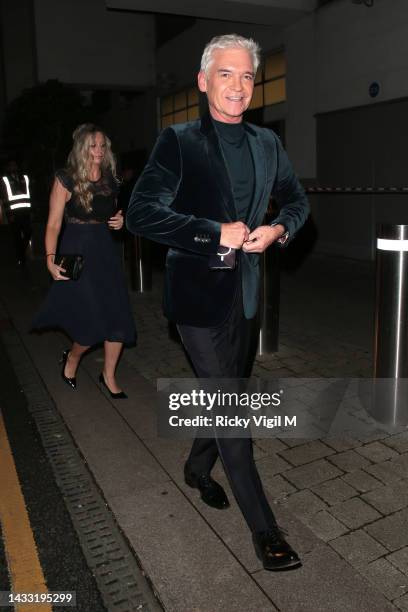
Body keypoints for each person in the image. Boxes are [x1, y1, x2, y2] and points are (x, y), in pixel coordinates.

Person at [126, 34, 309, 569]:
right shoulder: (178, 141)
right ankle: (264, 529)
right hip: (197, 299)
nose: (238, 85)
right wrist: (213, 233)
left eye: (247, 75)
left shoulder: (267, 144)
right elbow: (141, 214)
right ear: (204, 81)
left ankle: (197, 469)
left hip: (246, 296)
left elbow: (297, 200)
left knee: (224, 392)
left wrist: (277, 229)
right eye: (226, 74)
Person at [33, 124, 136, 398]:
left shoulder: (110, 179)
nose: (99, 151)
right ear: (82, 148)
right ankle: (73, 358)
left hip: (105, 252)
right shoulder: (66, 179)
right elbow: (54, 225)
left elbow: (113, 215)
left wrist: (120, 221)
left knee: (117, 315)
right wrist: (50, 259)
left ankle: (109, 375)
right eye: (93, 145)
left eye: (103, 145)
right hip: (76, 251)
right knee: (89, 322)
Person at [1, 159, 32, 265]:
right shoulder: (5, 180)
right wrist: (9, 214)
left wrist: (31, 210)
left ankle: (21, 253)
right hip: (14, 214)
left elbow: (29, 194)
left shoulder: (24, 178)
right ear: (8, 168)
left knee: (28, 232)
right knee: (17, 236)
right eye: (11, 165)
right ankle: (21, 259)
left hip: (25, 212)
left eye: (15, 165)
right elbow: (5, 199)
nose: (13, 167)